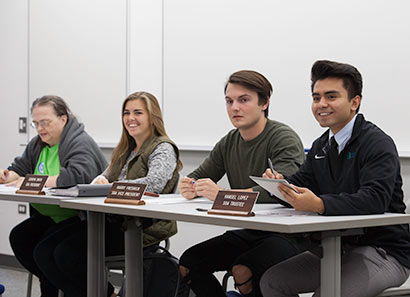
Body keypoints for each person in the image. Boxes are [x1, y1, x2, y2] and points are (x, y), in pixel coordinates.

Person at [260, 60, 410, 297]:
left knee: (329, 294)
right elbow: (301, 183)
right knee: (272, 282)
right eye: (316, 97)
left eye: (331, 96)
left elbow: (374, 200)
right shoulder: (322, 145)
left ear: (354, 102)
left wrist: (319, 205)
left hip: (384, 251)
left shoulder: (377, 143)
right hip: (335, 249)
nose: (321, 104)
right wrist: (279, 184)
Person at [34, 91, 182, 297]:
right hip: (111, 222)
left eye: (138, 112)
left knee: (65, 254)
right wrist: (100, 183)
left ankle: (105, 294)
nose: (130, 118)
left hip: (140, 229)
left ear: (152, 116)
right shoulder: (125, 149)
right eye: (126, 113)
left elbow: (154, 184)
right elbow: (101, 178)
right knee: (43, 251)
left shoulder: (163, 148)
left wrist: (112, 185)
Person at [178, 70, 306, 297]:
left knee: (244, 270)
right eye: (229, 101)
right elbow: (200, 175)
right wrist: (189, 185)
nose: (234, 108)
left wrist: (222, 195)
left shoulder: (283, 137)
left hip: (288, 234)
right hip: (251, 231)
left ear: (264, 103)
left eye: (243, 100)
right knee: (189, 263)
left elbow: (284, 190)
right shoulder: (229, 140)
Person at [4, 95, 107, 297]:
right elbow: (20, 169)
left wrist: (34, 180)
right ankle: (52, 285)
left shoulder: (79, 141)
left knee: (46, 253)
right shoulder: (38, 143)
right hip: (50, 217)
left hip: (80, 219)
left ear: (63, 119)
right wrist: (8, 176)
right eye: (36, 124)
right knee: (20, 238)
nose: (40, 128)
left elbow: (77, 176)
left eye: (45, 122)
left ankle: (100, 292)